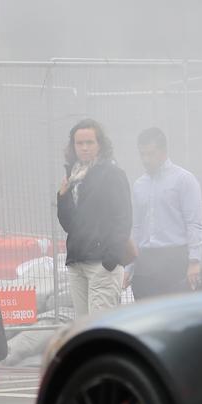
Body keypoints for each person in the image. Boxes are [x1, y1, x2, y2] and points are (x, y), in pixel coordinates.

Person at [57, 118, 132, 317]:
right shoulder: (73, 176)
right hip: (77, 262)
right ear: (73, 146)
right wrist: (62, 197)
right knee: (83, 329)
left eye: (90, 142)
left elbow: (123, 217)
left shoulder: (112, 173)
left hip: (102, 264)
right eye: (79, 143)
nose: (84, 148)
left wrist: (111, 259)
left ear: (100, 144)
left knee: (100, 328)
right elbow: (69, 224)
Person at [125, 127, 202, 300]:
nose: (146, 159)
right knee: (146, 317)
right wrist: (129, 268)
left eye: (151, 154)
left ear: (164, 151)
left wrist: (194, 262)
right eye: (142, 154)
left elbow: (194, 222)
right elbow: (136, 227)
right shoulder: (139, 185)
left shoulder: (184, 180)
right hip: (145, 261)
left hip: (174, 259)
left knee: (176, 316)